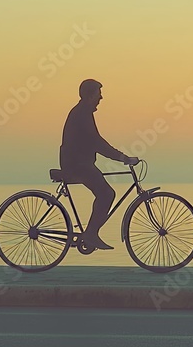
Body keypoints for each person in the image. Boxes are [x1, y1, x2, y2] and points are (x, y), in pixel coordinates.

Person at [59, 79, 139, 250]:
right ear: (89, 96)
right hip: (77, 164)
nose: (101, 97)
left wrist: (120, 157)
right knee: (107, 194)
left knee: (105, 193)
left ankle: (91, 233)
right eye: (98, 94)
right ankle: (91, 234)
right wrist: (123, 158)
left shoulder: (84, 112)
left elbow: (95, 142)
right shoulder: (82, 114)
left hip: (80, 162)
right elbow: (97, 143)